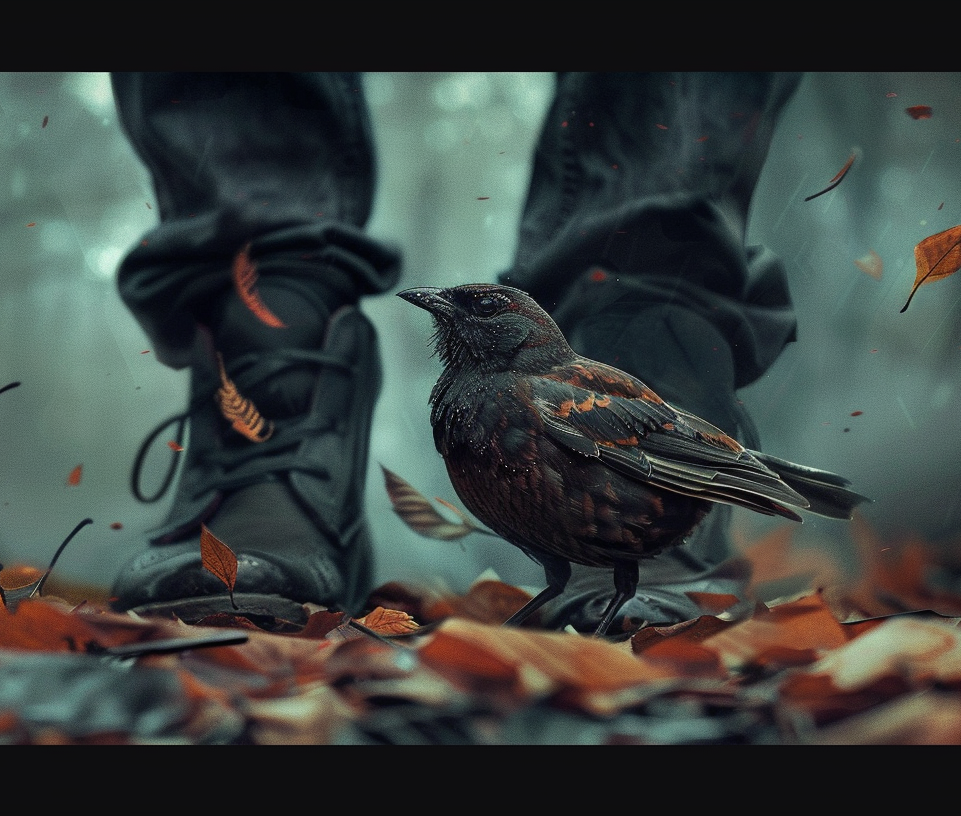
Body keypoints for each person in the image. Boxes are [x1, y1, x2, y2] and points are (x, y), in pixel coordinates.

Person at [106, 72, 804, 635]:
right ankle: (274, 375)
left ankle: (652, 324)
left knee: (654, 235)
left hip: (659, 474)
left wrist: (734, 476)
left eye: (479, 307)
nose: (442, 306)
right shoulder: (478, 397)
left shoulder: (562, 397)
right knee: (260, 269)